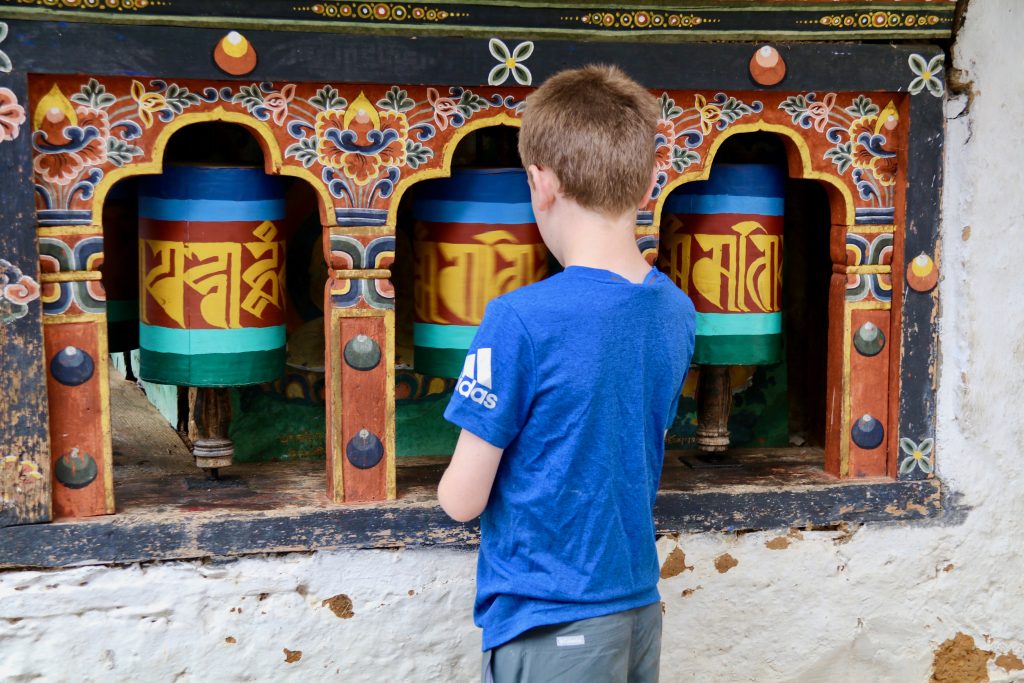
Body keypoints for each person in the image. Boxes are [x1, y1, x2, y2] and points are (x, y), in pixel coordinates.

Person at [437, 64, 696, 683]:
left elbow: (461, 499)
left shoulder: (520, 319)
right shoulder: (676, 311)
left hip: (552, 621)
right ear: (647, 186)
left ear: (540, 181)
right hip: (636, 606)